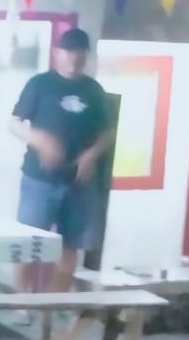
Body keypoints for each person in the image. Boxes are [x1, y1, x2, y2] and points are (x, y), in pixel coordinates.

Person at [9, 28, 114, 309]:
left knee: (70, 247)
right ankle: (21, 303)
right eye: (68, 52)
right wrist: (39, 141)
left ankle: (55, 305)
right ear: (57, 53)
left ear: (86, 56)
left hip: (79, 183)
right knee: (29, 243)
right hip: (39, 180)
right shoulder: (39, 84)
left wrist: (91, 155)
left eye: (80, 54)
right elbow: (13, 123)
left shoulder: (94, 90)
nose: (74, 59)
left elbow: (108, 133)